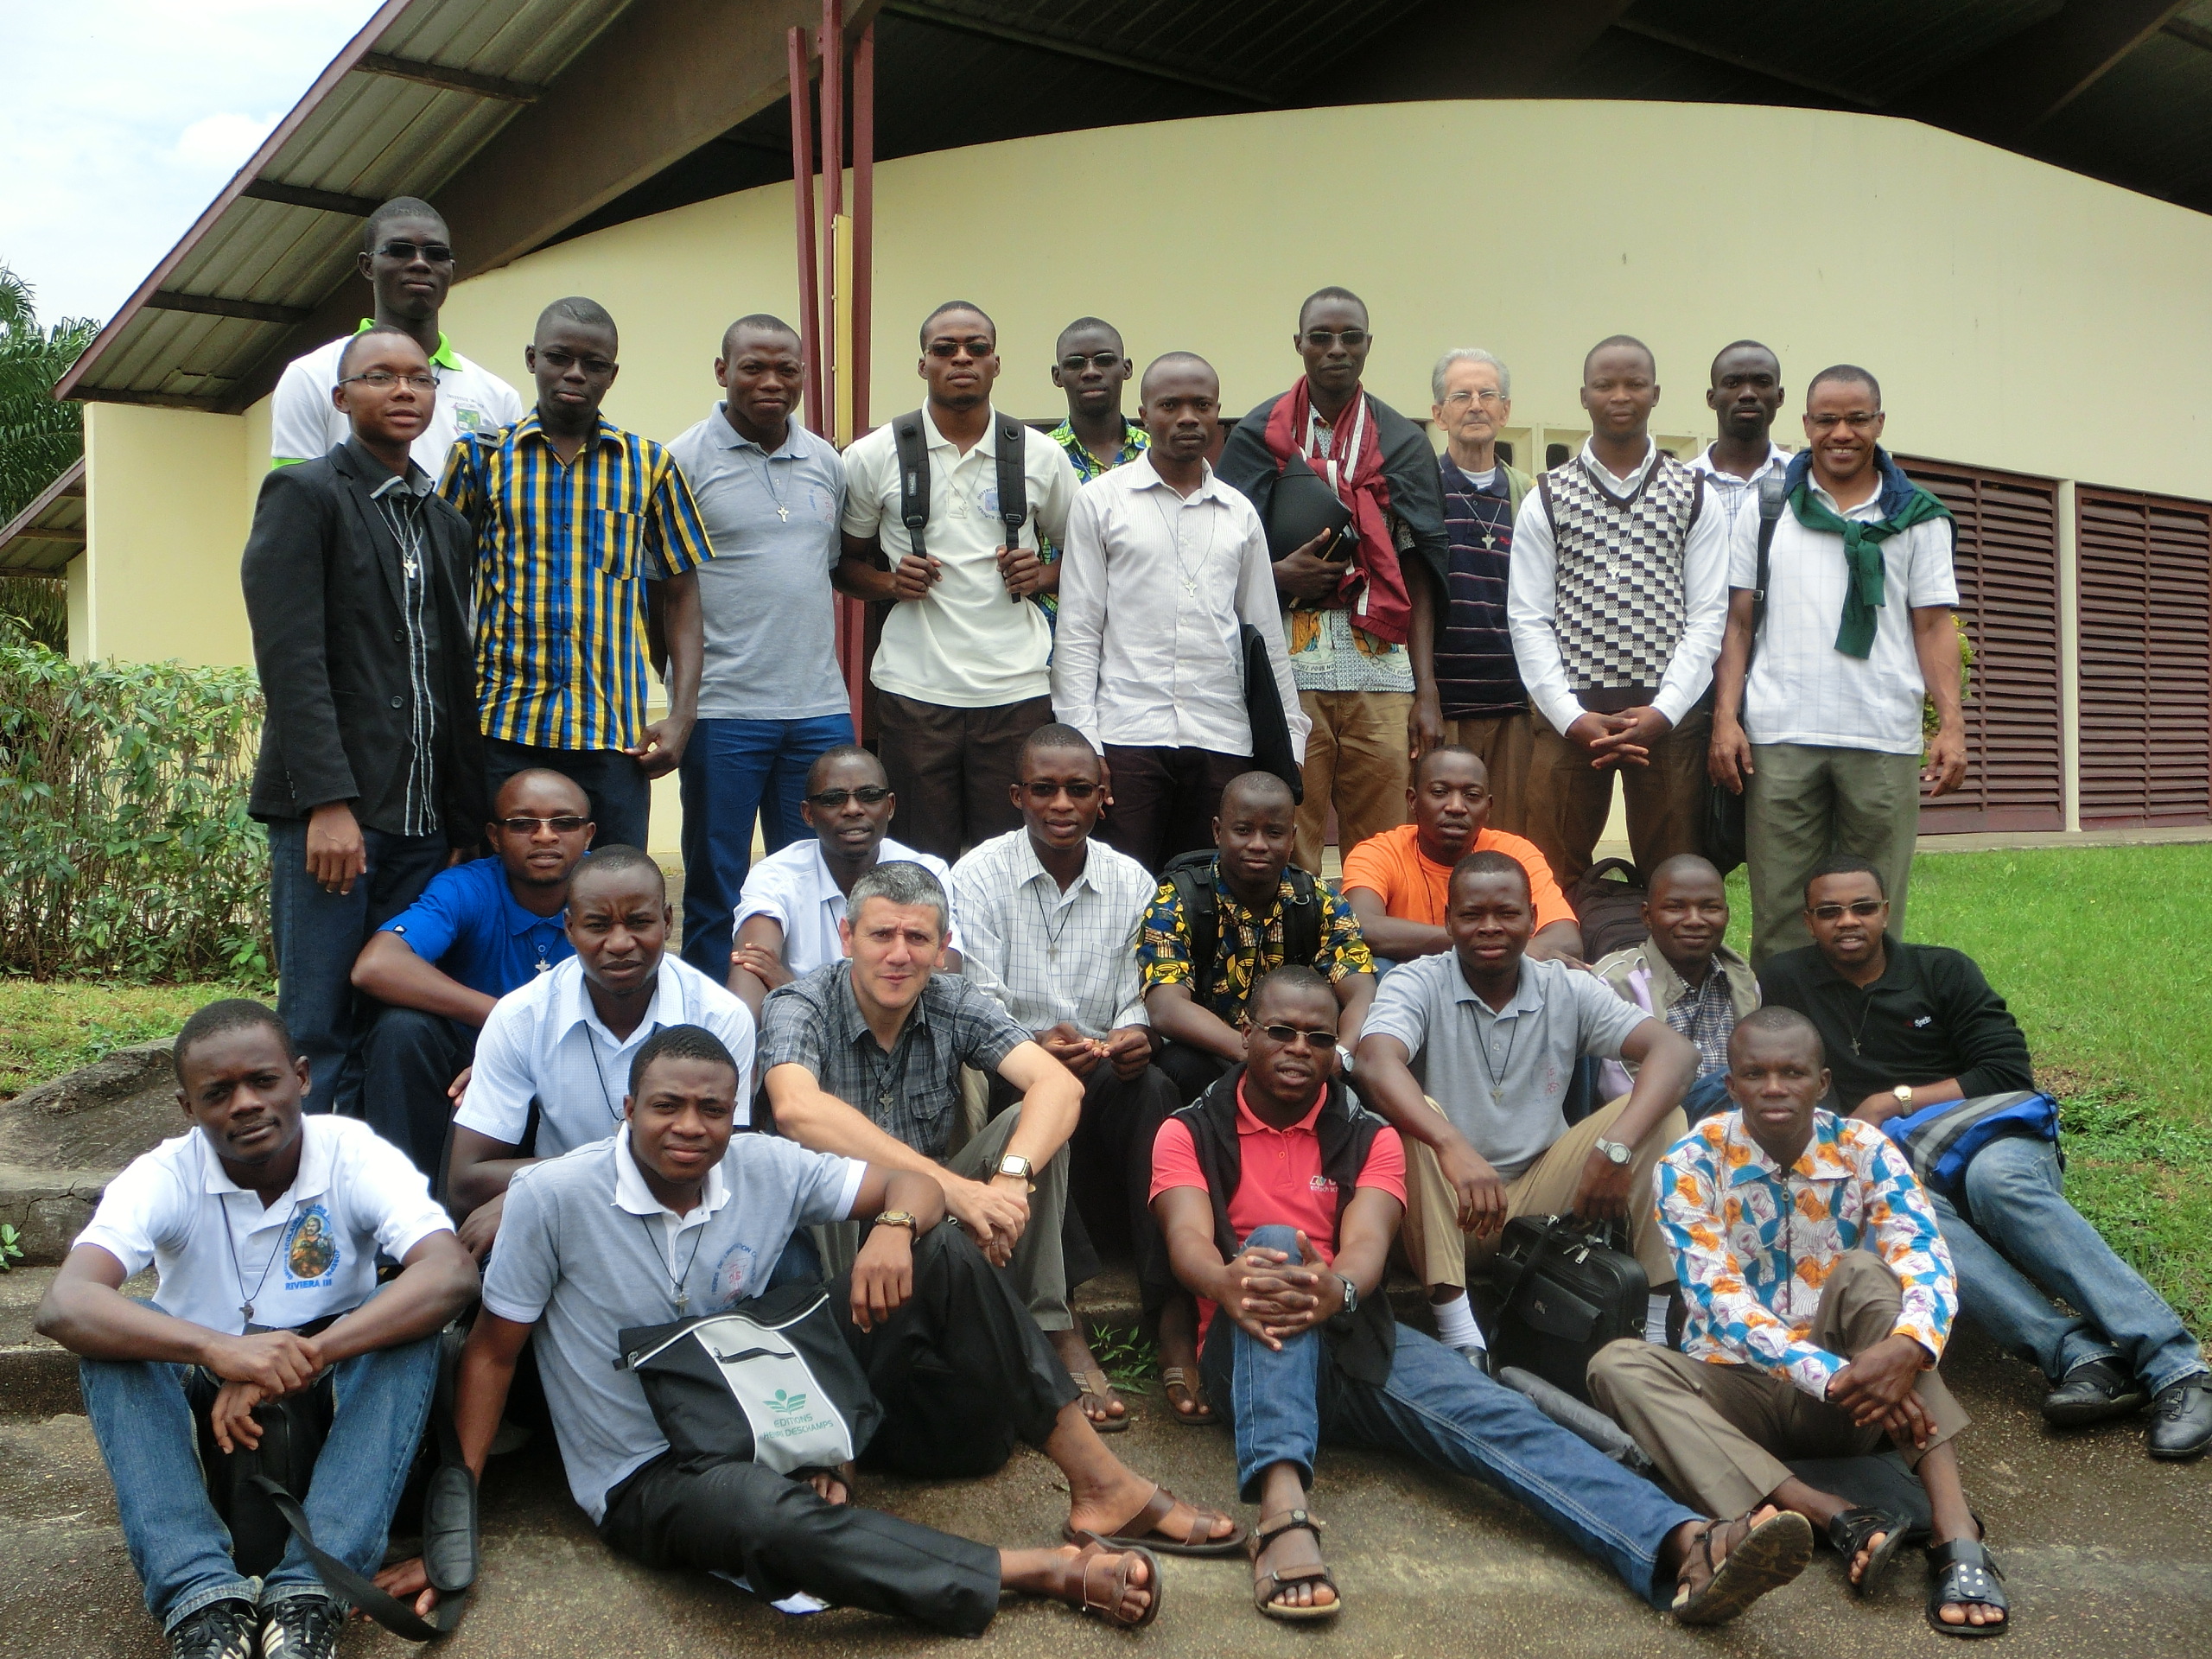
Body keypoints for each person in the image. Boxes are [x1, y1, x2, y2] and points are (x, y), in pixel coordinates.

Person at [374, 1024, 1240, 1637]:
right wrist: (458, 1517)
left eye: (712, 1110)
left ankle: (1103, 1486)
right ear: (627, 1107)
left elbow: (914, 1188)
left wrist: (894, 1229)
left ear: (735, 1114)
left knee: (941, 1251)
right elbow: (491, 1357)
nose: (690, 1128)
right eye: (667, 1106)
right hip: (655, 1471)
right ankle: (1035, 1570)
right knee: (760, 1511)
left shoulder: (762, 1164)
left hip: (768, 1402)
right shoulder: (552, 1198)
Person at [1154, 969, 1811, 1626]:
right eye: (1281, 1032)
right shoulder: (1188, 1131)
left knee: (1504, 1416)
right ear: (1247, 1034)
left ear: (1335, 1049)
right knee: (1272, 1248)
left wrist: (1340, 1287)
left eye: (1319, 1038)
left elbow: (1366, 1249)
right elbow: (1188, 1243)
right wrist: (1226, 1281)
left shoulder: (1368, 1135)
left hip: (1352, 1333)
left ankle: (1682, 1542)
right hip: (1243, 1358)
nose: (1300, 1049)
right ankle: (1282, 1509)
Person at [35, 1000, 476, 1659]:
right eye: (218, 1093)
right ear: (187, 1108)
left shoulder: (352, 1153)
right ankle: (200, 1598)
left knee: (405, 1322)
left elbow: (449, 1273)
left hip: (335, 1406)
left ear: (301, 1077)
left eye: (263, 1081)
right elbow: (64, 1303)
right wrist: (221, 1351)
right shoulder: (163, 1175)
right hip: (212, 1419)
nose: (245, 1104)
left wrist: (301, 1356)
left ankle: (310, 1596)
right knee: (114, 1341)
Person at [1759, 858, 2212, 1459]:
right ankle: (2080, 1357)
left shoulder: (1942, 970)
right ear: (1808, 921)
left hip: (1987, 1134)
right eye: (1830, 911)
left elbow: (2007, 1071)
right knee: (1907, 1209)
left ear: (1886, 912)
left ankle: (2177, 1367)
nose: (1848, 921)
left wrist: (1892, 1101)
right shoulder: (1786, 981)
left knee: (1999, 1182)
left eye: (1863, 908)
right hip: (1895, 1159)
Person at [1588, 1007, 2012, 1637]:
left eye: (1792, 1073)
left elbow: (1924, 1254)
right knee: (1616, 1364)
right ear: (1731, 1085)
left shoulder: (1865, 1148)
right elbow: (1718, 1303)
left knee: (1867, 1276)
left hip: (1854, 1404)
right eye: (1755, 1074)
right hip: (1742, 1396)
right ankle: (1829, 1513)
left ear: (1822, 1082)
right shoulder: (1689, 1163)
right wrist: (1834, 1376)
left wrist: (1908, 1348)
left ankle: (1955, 1531)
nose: (1774, 1088)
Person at [759, 862, 1191, 1444]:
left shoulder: (952, 999)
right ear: (847, 936)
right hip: (839, 1227)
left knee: (1029, 1128)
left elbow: (1059, 1086)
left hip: (936, 1219)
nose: (899, 954)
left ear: (943, 949)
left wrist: (1009, 1180)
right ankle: (846, 1340)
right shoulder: (801, 1004)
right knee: (822, 1160)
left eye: (918, 938)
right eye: (881, 934)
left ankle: (1045, 1323)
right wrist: (953, 1189)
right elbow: (796, 1109)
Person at [243, 323, 487, 1122]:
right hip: (336, 819)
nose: (404, 390)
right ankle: (306, 1189)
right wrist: (327, 802)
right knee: (317, 1025)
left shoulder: (445, 522)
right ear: (342, 398)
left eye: (419, 378)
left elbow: (452, 679)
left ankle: (384, 1185)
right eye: (381, 377)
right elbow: (292, 661)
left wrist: (461, 821)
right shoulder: (305, 495)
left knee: (399, 1021)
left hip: (422, 829)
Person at [1355, 850, 1696, 1363]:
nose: (1490, 927)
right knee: (1413, 1120)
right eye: (1472, 914)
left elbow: (1676, 1052)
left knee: (1663, 1117)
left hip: (1539, 1203)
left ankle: (1654, 1324)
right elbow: (1374, 1061)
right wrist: (1451, 1145)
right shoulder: (1417, 981)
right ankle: (1459, 1333)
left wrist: (1617, 1147)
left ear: (1533, 919)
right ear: (1448, 920)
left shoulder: (1566, 986)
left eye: (1507, 913)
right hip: (1444, 1207)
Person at [951, 725, 1181, 1427]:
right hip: (1009, 1062)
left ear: (1102, 796)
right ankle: (1064, 1318)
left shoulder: (1130, 880)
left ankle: (1171, 1307)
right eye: (1043, 789)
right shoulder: (977, 875)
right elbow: (973, 1000)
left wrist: (1136, 1032)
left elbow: (1142, 986)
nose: (1061, 804)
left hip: (1101, 1060)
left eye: (1078, 789)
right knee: (1033, 1097)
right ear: (1016, 795)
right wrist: (1031, 1048)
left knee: (1157, 1091)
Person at [1708, 366, 1966, 963]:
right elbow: (1737, 622)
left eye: (1856, 419)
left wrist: (1951, 724)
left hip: (1883, 736)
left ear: (1879, 422)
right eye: (1827, 420)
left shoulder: (1918, 515)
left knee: (1873, 914)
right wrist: (1726, 718)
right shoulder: (1768, 507)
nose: (1841, 433)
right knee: (1781, 914)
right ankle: (1782, 1024)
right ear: (1805, 425)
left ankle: (1871, 1021)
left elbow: (1933, 626)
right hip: (1781, 737)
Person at [440, 297, 710, 853]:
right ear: (532, 359)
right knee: (499, 884)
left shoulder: (650, 465)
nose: (575, 374)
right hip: (500, 726)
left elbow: (681, 595)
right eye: (559, 358)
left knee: (614, 886)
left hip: (610, 733)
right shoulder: (478, 459)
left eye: (594, 364)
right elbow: (441, 592)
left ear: (613, 373)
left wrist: (682, 714)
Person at [835, 302, 1081, 859]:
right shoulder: (874, 455)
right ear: (923, 364)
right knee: (920, 856)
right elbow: (844, 565)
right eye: (945, 349)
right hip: (915, 691)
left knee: (1011, 857)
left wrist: (1042, 574)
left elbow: (1087, 560)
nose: (961, 358)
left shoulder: (1041, 455)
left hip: (1016, 688)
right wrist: (889, 583)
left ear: (996, 363)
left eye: (977, 348)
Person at [1217, 286, 1449, 874]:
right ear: (1299, 344)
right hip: (1286, 679)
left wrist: (1427, 690)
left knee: (1384, 848)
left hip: (1384, 677)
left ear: (1369, 344)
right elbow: (1219, 554)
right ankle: (1296, 938)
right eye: (1321, 337)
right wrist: (1277, 574)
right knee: (1287, 839)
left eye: (1350, 337)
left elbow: (1419, 566)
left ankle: (1374, 938)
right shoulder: (1256, 435)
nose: (1336, 349)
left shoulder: (1403, 441)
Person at [1051, 351, 1305, 871]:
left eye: (1201, 405)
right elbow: (1078, 631)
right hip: (1126, 736)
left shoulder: (1239, 512)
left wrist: (1291, 742)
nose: (1187, 417)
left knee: (1207, 890)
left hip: (1221, 735)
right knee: (1125, 886)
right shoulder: (1100, 502)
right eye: (1170, 405)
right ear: (1144, 414)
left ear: (1217, 414)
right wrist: (1084, 741)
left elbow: (1264, 636)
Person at [444, 845, 754, 1254]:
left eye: (639, 922)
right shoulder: (522, 1016)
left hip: (686, 1226)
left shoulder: (719, 1017)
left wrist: (539, 1187)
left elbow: (723, 1168)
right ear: (569, 928)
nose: (620, 943)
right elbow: (466, 1183)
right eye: (597, 925)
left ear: (667, 921)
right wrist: (587, 1184)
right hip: (561, 1230)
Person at [666, 315, 855, 979]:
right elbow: (661, 591)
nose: (771, 381)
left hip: (818, 708)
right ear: (723, 371)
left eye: (787, 369)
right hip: (723, 711)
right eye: (753, 367)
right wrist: (680, 698)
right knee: (716, 882)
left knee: (819, 881)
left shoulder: (826, 462)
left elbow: (826, 566)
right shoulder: (681, 461)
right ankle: (708, 1024)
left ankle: (809, 1014)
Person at [1506, 335, 1729, 887]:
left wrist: (1665, 711)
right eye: (1605, 385)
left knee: (1675, 877)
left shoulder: (1693, 494)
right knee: (1552, 875)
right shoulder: (1547, 495)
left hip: (1668, 718)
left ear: (1657, 393)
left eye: (1635, 384)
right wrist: (1569, 716)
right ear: (1584, 396)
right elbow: (1528, 618)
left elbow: (1708, 616)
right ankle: (1563, 947)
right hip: (1571, 716)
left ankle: (1660, 952)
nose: (1621, 396)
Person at [350, 768, 592, 1176]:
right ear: (494, 837)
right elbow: (377, 965)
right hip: (468, 1054)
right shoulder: (467, 887)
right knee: (401, 1031)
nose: (545, 836)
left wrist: (521, 1054)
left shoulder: (608, 886)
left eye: (564, 823)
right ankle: (403, 1197)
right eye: (523, 824)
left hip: (574, 1055)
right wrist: (506, 1024)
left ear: (588, 835)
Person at [1137, 771, 1376, 1106]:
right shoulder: (1176, 900)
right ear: (1218, 832)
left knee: (1367, 1067)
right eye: (1243, 830)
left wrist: (1340, 1054)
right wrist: (1256, 1053)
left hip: (1303, 1059)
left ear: (1292, 838)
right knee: (1176, 1067)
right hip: (1212, 1055)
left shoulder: (1320, 901)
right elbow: (1166, 1008)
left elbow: (1361, 991)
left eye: (1274, 833)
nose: (1258, 844)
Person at [269, 197, 521, 469]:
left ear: (451, 270)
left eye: (436, 254)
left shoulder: (498, 398)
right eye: (400, 250)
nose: (420, 263)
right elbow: (294, 492)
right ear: (367, 266)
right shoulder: (312, 377)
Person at [726, 746, 961, 1020]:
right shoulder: (775, 877)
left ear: (890, 807)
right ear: (808, 814)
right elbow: (748, 986)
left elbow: (943, 986)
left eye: (869, 795)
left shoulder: (927, 872)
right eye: (833, 799)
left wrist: (798, 992)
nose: (852, 809)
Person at [1340, 744, 1580, 969]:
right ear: (1413, 801)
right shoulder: (1379, 853)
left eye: (1472, 795)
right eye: (1440, 792)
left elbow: (1567, 942)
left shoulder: (1516, 852)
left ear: (1488, 808)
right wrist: (1494, 945)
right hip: (1408, 980)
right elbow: (1359, 926)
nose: (1456, 806)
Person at [1427, 348, 1538, 831]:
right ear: (1439, 414)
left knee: (1509, 839)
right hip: (1441, 705)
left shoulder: (1530, 496)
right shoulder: (1422, 490)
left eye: (1487, 394)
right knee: (1440, 838)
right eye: (1461, 396)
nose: (1475, 405)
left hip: (1514, 705)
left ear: (1505, 410)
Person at [1591, 853, 1758, 1122]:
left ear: (1727, 914)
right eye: (1675, 908)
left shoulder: (1742, 981)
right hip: (1648, 1126)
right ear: (1647, 916)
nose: (1694, 920)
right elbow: (1620, 1091)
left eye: (1710, 908)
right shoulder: (1616, 983)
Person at [1034, 316, 1149, 626]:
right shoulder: (1036, 458)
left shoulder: (1156, 456)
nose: (1090, 371)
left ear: (1126, 368)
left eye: (1104, 360)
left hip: (1144, 632)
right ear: (1057, 376)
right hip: (1059, 632)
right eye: (1075, 364)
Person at [1686, 340, 1791, 538]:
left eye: (1762, 382)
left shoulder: (1802, 479)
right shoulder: (1683, 485)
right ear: (1711, 398)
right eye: (1732, 384)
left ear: (1780, 396)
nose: (1748, 394)